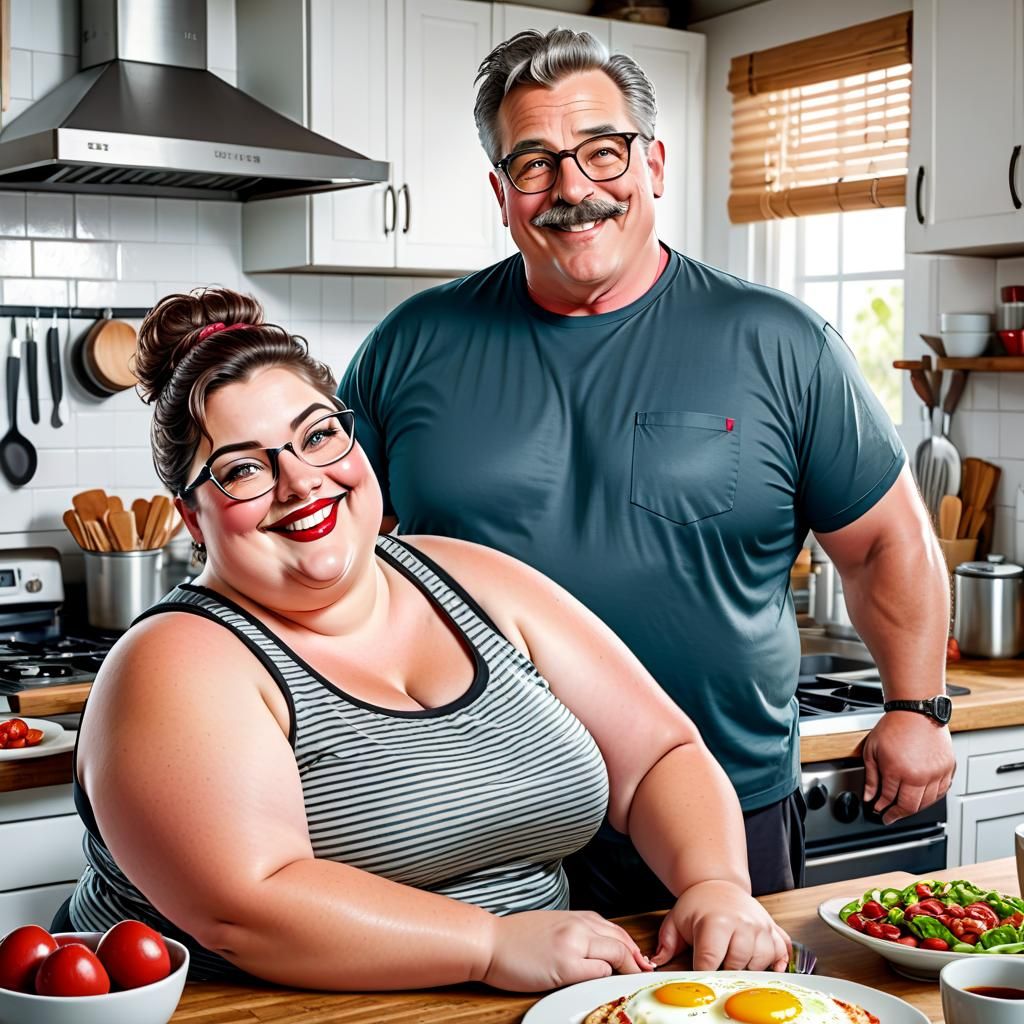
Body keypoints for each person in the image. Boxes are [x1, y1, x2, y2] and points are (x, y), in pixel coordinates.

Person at [337, 28, 955, 913]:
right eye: (536, 164)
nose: (574, 189)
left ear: (654, 163)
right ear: (501, 193)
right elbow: (329, 539)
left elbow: (885, 541)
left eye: (602, 151)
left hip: (723, 803)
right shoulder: (412, 344)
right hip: (485, 810)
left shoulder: (779, 342)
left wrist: (916, 707)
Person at [56, 287, 790, 989]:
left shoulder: (466, 577)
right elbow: (246, 909)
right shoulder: (178, 662)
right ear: (193, 517)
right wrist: (491, 944)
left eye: (317, 436)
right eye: (244, 467)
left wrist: (715, 884)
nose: (301, 481)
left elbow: (660, 755)